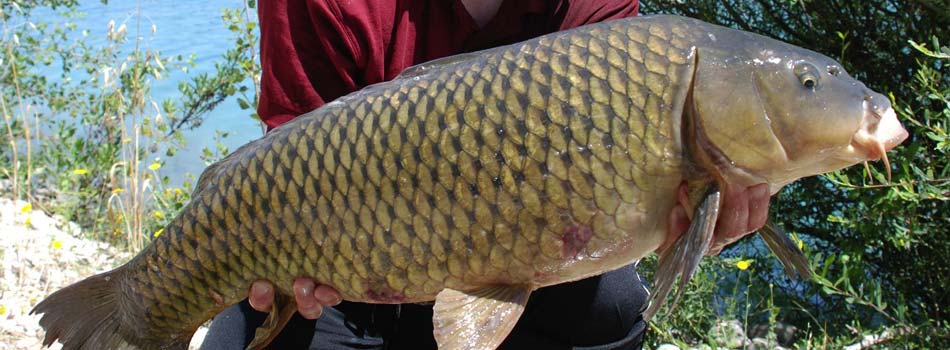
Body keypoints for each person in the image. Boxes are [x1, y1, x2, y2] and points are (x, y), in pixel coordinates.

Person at [201, 1, 772, 349]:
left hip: (517, 267)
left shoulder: (600, 16)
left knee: (616, 304)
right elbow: (285, 165)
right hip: (341, 279)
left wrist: (699, 214)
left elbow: (626, 196)